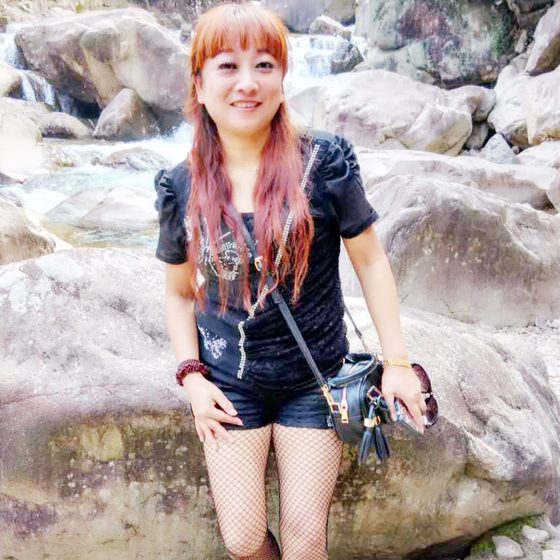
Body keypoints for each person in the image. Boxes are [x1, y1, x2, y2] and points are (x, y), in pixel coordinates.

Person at [154, 3, 426, 559]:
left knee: (305, 541)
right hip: (230, 383)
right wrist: (191, 376)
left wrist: (397, 363)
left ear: (282, 79)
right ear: (199, 84)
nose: (247, 83)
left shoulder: (323, 161)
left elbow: (371, 262)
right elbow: (180, 293)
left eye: (264, 65)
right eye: (228, 67)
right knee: (243, 539)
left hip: (315, 380)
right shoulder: (181, 185)